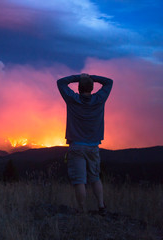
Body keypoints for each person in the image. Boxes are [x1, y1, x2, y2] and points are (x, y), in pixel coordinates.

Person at [57, 73, 113, 215]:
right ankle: (101, 206)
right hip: (93, 146)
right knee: (95, 177)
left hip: (76, 146)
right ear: (92, 87)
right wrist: (91, 77)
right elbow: (109, 82)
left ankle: (82, 210)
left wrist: (79, 77)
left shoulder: (73, 99)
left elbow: (61, 82)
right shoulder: (99, 99)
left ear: (79, 88)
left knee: (79, 181)